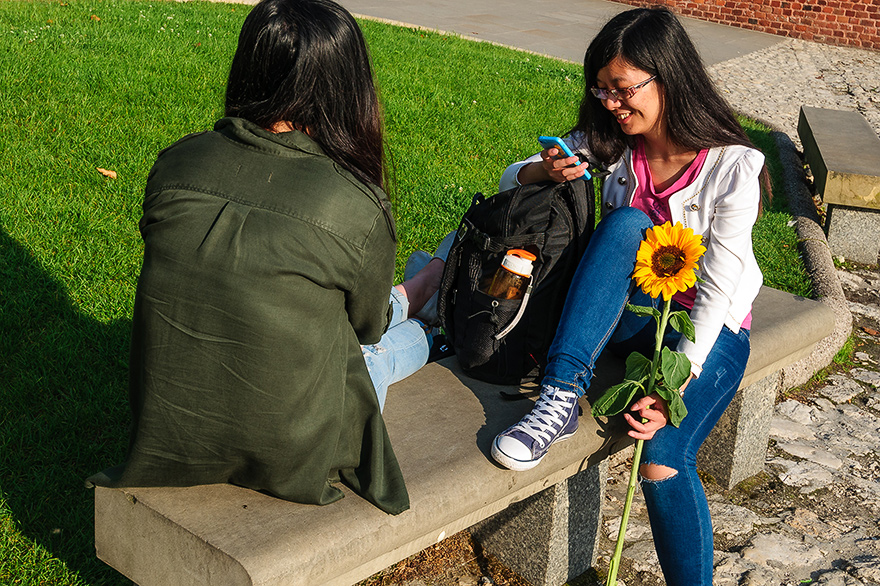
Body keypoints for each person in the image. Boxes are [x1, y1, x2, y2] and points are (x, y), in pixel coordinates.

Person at [88, 0, 449, 515]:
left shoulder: (178, 160)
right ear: (347, 87)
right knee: (383, 347)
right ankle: (433, 313)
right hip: (294, 451)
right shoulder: (354, 202)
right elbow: (365, 329)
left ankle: (424, 285)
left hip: (171, 431)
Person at [490, 7, 768, 584]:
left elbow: (719, 286)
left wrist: (676, 381)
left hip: (699, 333)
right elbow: (509, 180)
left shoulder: (731, 167)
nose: (612, 105)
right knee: (623, 227)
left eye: (623, 90)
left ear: (669, 77)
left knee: (663, 460)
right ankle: (558, 398)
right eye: (602, 91)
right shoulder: (609, 144)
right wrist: (548, 172)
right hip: (620, 318)